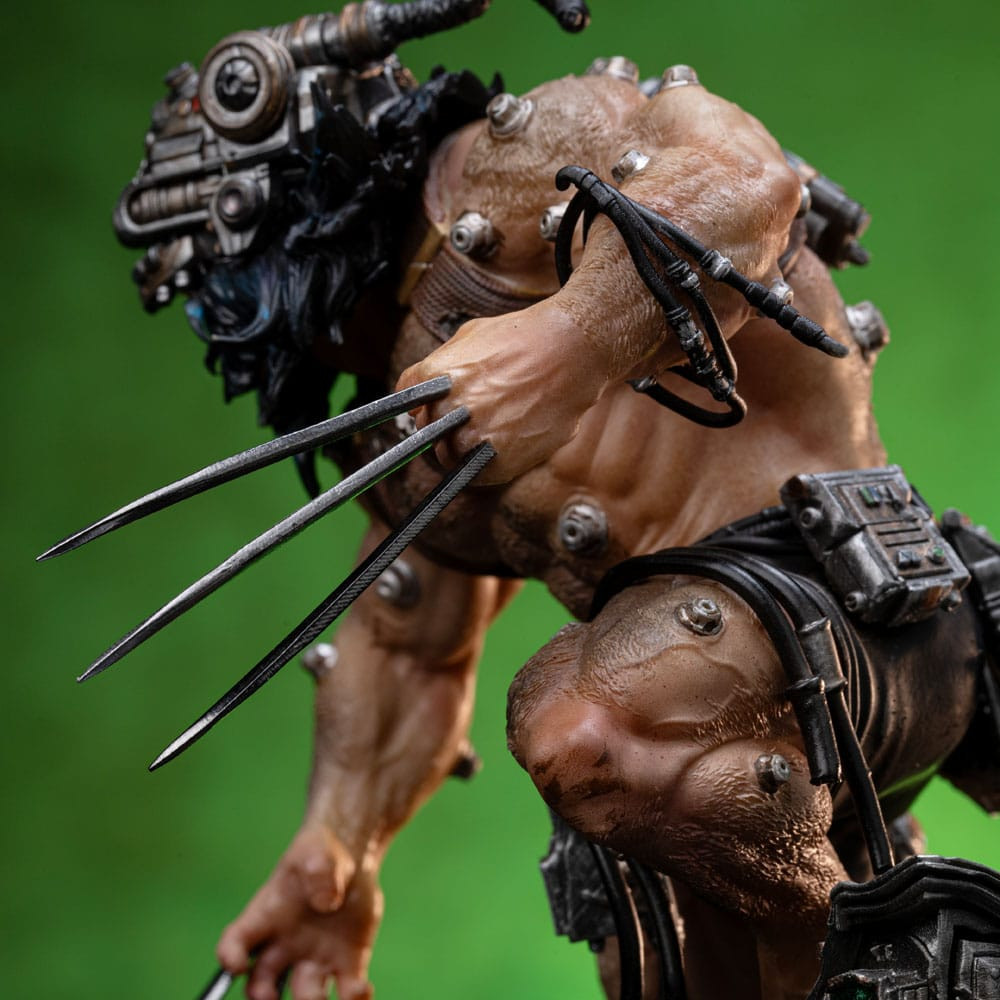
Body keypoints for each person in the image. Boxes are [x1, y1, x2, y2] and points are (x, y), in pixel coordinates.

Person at [98, 11, 996, 999]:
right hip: (744, 736)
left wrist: (567, 343)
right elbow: (406, 645)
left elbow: (744, 180)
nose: (218, 314)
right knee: (644, 951)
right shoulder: (403, 407)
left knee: (580, 724)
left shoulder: (518, 163)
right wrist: (335, 852)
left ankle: (860, 968)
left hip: (856, 611)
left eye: (219, 277)